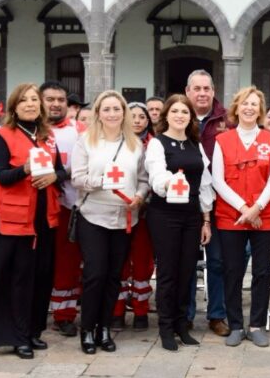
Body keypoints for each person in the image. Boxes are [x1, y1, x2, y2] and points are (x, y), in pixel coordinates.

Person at [0, 84, 65, 359]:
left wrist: (54, 176)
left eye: (34, 100)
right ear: (14, 106)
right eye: (24, 100)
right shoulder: (3, 135)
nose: (30, 104)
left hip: (45, 218)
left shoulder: (48, 136)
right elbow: (2, 176)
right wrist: (26, 169)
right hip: (17, 220)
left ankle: (33, 331)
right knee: (19, 279)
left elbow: (61, 171)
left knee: (42, 277)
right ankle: (18, 337)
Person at [71, 90, 149, 354]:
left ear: (124, 112)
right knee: (95, 274)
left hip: (124, 218)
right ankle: (87, 329)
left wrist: (139, 196)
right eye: (107, 109)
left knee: (115, 275)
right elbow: (77, 178)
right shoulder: (86, 141)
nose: (112, 114)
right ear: (98, 113)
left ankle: (104, 328)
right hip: (93, 215)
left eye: (117, 109)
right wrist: (102, 181)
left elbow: (143, 179)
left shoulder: (135, 144)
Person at [213, 86, 270, 347]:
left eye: (254, 104)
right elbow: (218, 180)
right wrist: (244, 208)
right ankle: (235, 325)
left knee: (262, 272)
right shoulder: (223, 141)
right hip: (232, 216)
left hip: (266, 216)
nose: (249, 108)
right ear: (236, 108)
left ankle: (256, 325)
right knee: (232, 271)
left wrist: (257, 208)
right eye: (245, 103)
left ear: (260, 110)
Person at [145, 94, 214, 351]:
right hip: (165, 214)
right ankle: (166, 328)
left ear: (191, 117)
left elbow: (205, 183)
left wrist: (206, 219)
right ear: (166, 115)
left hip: (191, 215)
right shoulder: (157, 143)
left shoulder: (195, 144)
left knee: (186, 272)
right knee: (167, 273)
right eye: (174, 111)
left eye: (184, 112)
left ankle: (181, 325)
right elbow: (156, 175)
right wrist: (171, 182)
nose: (180, 116)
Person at [186, 70, 231, 335]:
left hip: (218, 201)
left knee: (217, 261)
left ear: (213, 91)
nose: (202, 93)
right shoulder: (178, 115)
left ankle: (217, 315)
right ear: (188, 91)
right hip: (184, 201)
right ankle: (186, 314)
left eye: (206, 88)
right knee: (186, 262)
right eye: (197, 88)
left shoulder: (227, 120)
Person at [41, 81, 84, 338]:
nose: (56, 104)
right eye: (50, 99)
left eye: (60, 99)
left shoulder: (79, 130)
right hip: (37, 207)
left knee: (68, 262)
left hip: (70, 205)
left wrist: (58, 175)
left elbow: (85, 162)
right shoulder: (30, 129)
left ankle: (64, 315)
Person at [115, 101, 155, 330]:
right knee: (119, 262)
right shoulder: (115, 143)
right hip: (119, 209)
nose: (137, 121)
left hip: (146, 213)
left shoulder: (155, 144)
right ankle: (117, 311)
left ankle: (141, 311)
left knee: (142, 263)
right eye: (133, 116)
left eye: (142, 116)